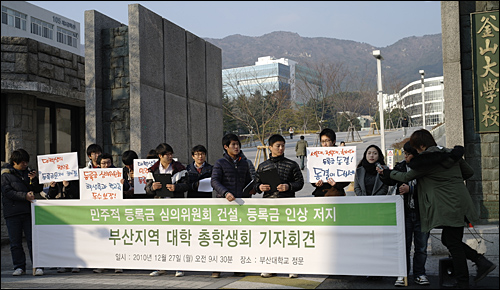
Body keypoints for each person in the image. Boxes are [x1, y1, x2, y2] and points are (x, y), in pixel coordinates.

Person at [377, 129, 496, 288]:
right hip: (461, 202)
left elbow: (405, 177)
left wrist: (387, 172)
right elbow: (469, 172)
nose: (417, 152)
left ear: (422, 145)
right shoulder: (451, 154)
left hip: (447, 205)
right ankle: (480, 262)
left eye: (416, 148)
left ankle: (464, 281)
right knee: (450, 239)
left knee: (453, 243)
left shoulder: (427, 161)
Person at [380, 142, 430, 286]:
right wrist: (383, 174)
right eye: (405, 154)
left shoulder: (424, 167)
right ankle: (402, 274)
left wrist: (412, 189)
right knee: (404, 246)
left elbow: (429, 188)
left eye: (408, 154)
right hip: (404, 213)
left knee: (421, 247)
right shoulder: (400, 166)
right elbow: (390, 180)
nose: (405, 157)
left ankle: (420, 274)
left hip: (422, 213)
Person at [255, 134, 304, 279]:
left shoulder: (291, 164)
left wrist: (288, 186)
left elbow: (300, 183)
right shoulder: (263, 166)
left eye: (283, 145)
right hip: (269, 205)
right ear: (270, 147)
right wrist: (260, 187)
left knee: (288, 237)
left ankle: (292, 266)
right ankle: (270, 267)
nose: (281, 148)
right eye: (278, 146)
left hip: (287, 205)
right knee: (270, 237)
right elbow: (255, 184)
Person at [211, 133, 254, 278]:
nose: (237, 147)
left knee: (239, 237)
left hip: (240, 205)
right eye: (233, 144)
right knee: (222, 237)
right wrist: (225, 193)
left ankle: (238, 266)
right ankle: (217, 268)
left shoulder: (244, 163)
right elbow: (215, 182)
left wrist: (251, 190)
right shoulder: (220, 163)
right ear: (226, 147)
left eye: (238, 144)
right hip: (224, 206)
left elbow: (248, 181)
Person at [145, 143, 188, 277]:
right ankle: (160, 266)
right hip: (159, 208)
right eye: (167, 155)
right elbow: (146, 189)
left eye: (171, 154)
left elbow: (187, 185)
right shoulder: (152, 170)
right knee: (160, 237)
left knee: (176, 237)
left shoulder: (180, 168)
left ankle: (179, 266)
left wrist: (177, 188)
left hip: (176, 207)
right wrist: (153, 188)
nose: (170, 157)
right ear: (160, 156)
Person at [1, 149, 44, 276]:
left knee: (33, 240)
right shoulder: (5, 175)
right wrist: (24, 196)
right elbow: (7, 192)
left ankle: (38, 266)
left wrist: (34, 180)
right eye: (22, 162)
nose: (25, 164)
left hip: (28, 211)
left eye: (26, 162)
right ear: (15, 162)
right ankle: (19, 267)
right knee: (15, 242)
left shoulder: (29, 173)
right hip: (12, 213)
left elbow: (37, 189)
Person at [92, 153, 124, 274]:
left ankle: (118, 264)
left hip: (115, 210)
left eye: (108, 163)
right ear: (99, 165)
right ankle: (102, 264)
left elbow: (125, 187)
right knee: (102, 238)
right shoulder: (92, 175)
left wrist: (123, 182)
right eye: (103, 163)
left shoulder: (117, 173)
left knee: (116, 237)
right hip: (100, 211)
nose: (106, 165)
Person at [48, 179, 81, 273]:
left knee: (74, 239)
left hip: (73, 211)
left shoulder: (75, 178)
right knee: (60, 239)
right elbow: (50, 196)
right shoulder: (54, 179)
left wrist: (67, 186)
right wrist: (53, 187)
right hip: (58, 212)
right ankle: (63, 263)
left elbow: (77, 195)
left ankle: (75, 263)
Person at [312, 128, 350, 197]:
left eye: (327, 141)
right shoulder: (316, 156)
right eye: (322, 141)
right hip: (320, 195)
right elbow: (312, 176)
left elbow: (347, 178)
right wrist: (315, 183)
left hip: (337, 195)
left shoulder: (341, 156)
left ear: (333, 141)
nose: (325, 144)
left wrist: (336, 185)